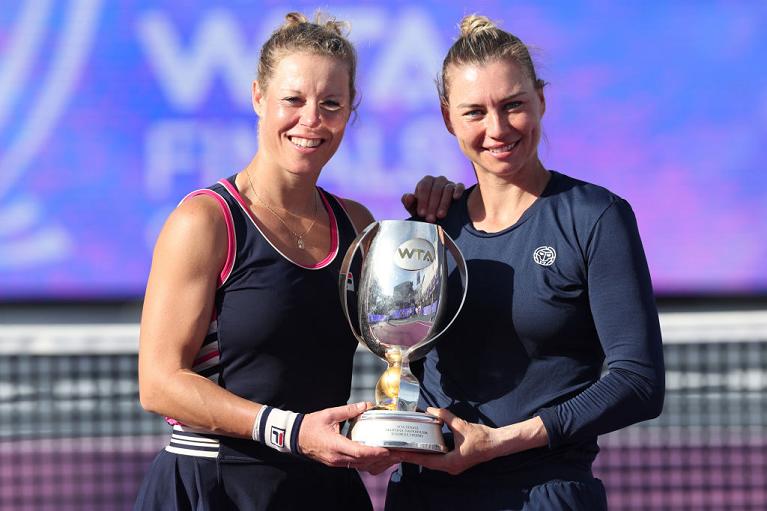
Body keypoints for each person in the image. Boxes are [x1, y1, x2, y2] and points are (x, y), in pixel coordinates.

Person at [134, 12, 460, 511]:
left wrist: (446, 219)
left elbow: (402, 341)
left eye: (331, 103)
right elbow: (159, 384)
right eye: (293, 99)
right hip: (214, 486)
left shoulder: (357, 223)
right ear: (258, 98)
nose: (311, 119)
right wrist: (292, 430)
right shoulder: (205, 221)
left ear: (351, 111)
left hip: (324, 488)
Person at [387, 14, 665, 510]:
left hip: (545, 494)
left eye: (513, 105)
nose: (497, 128)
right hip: (424, 494)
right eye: (475, 112)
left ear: (542, 100)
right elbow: (400, 359)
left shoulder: (596, 217)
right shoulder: (429, 224)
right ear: (448, 116)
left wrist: (503, 441)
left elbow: (638, 381)